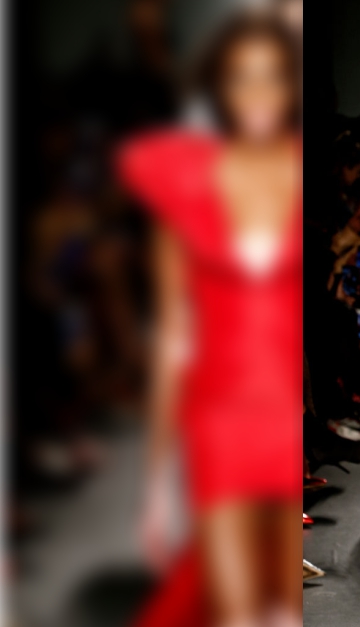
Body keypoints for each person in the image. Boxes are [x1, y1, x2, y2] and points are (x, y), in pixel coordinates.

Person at [120, 11, 302, 627]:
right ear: (220, 88)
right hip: (219, 421)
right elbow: (173, 339)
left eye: (272, 76)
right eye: (241, 77)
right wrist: (155, 484)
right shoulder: (186, 184)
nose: (257, 93)